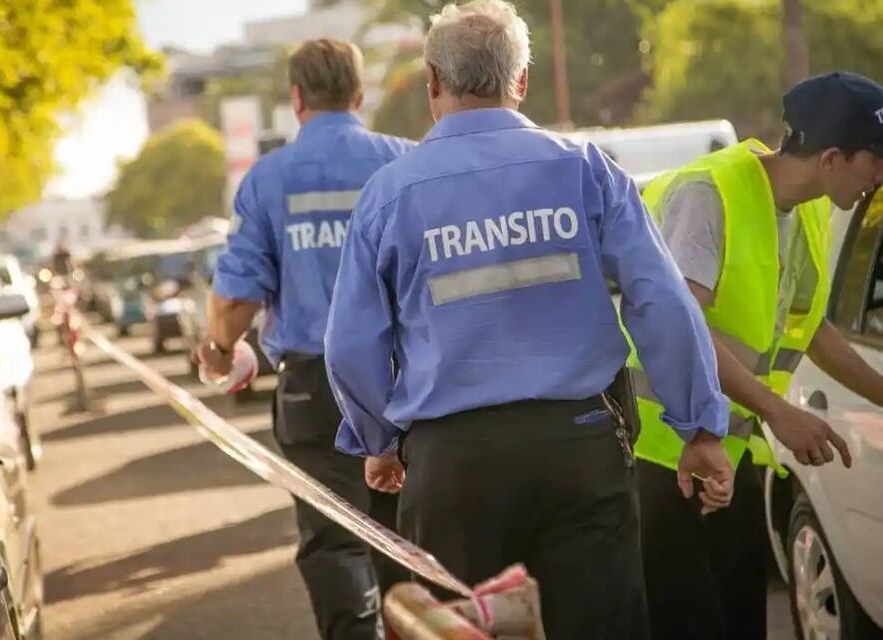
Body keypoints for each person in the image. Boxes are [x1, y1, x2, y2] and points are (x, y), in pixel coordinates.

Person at [323, 1, 734, 638]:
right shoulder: (585, 169)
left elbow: (350, 343)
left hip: (452, 464)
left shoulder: (390, 193)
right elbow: (662, 301)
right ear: (522, 82)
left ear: (433, 81)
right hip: (581, 445)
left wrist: (378, 438)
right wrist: (700, 427)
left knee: (461, 631)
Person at [633, 71, 883, 640]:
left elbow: (812, 329)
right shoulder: (708, 194)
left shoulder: (811, 210)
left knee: (740, 619)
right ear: (832, 158)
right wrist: (779, 411)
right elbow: (682, 323)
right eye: (875, 160)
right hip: (660, 456)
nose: (879, 176)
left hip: (727, 448)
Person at [192, 39, 414, 640]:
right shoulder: (404, 165)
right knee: (411, 534)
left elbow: (237, 299)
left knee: (334, 534)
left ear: (295, 99)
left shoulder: (269, 181)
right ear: (359, 94)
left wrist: (218, 348)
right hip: (411, 379)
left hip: (314, 388)